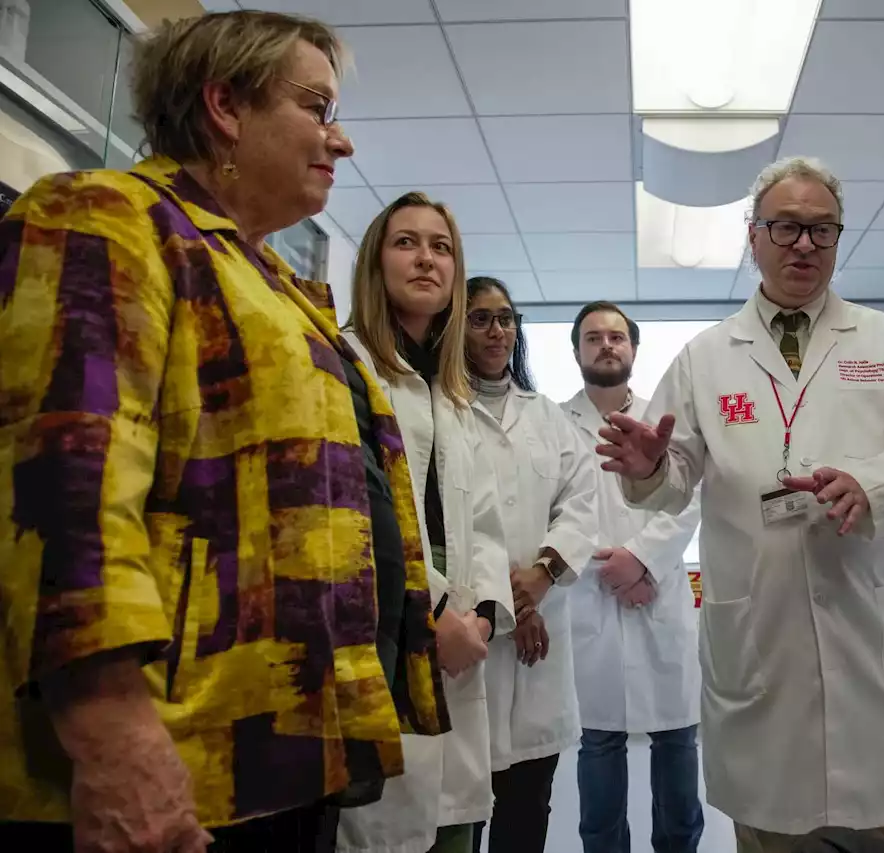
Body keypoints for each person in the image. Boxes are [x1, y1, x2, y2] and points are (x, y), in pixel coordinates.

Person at [0, 10, 449, 853]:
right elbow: (63, 495)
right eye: (316, 107)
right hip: (168, 753)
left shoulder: (269, 278)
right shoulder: (105, 217)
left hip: (277, 751)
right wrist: (113, 734)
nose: (339, 139)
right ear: (226, 106)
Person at [597, 156, 884, 851]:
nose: (804, 244)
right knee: (772, 832)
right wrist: (649, 467)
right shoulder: (705, 357)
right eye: (787, 227)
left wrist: (872, 485)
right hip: (758, 647)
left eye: (822, 230)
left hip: (868, 638)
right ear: (754, 235)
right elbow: (674, 476)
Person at [337, 193, 513, 853]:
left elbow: (489, 523)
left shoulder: (455, 394)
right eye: (406, 242)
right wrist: (435, 613)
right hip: (393, 631)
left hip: (462, 649)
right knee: (383, 829)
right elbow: (362, 515)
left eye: (441, 247)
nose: (426, 258)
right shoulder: (347, 364)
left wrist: (483, 619)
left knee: (454, 826)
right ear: (375, 262)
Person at [562, 301, 705, 853]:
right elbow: (557, 510)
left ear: (633, 349)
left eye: (616, 336)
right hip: (590, 600)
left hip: (659, 595)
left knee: (676, 744)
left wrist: (643, 559)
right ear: (576, 350)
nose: (606, 344)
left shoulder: (665, 420)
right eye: (593, 336)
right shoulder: (555, 423)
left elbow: (688, 497)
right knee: (597, 746)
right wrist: (617, 569)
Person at [465, 276, 598, 853]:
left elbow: (581, 503)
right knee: (462, 806)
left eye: (505, 318)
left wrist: (543, 573)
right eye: (480, 318)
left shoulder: (546, 417)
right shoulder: (439, 409)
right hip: (472, 632)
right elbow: (453, 524)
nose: (497, 331)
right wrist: (514, 600)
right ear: (455, 326)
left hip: (539, 644)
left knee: (527, 808)